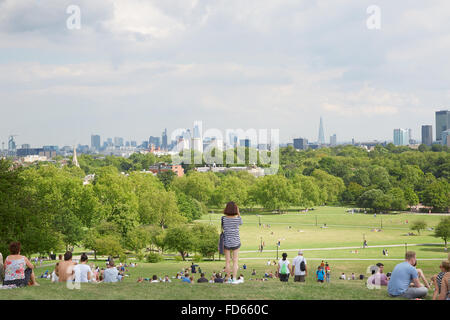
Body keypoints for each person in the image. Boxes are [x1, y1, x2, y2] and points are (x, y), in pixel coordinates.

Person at [222, 201, 243, 283]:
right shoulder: (237, 219)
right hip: (236, 242)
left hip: (226, 241)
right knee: (235, 261)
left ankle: (228, 278)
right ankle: (234, 278)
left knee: (227, 261)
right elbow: (241, 223)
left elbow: (224, 227)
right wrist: (238, 213)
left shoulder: (223, 219)